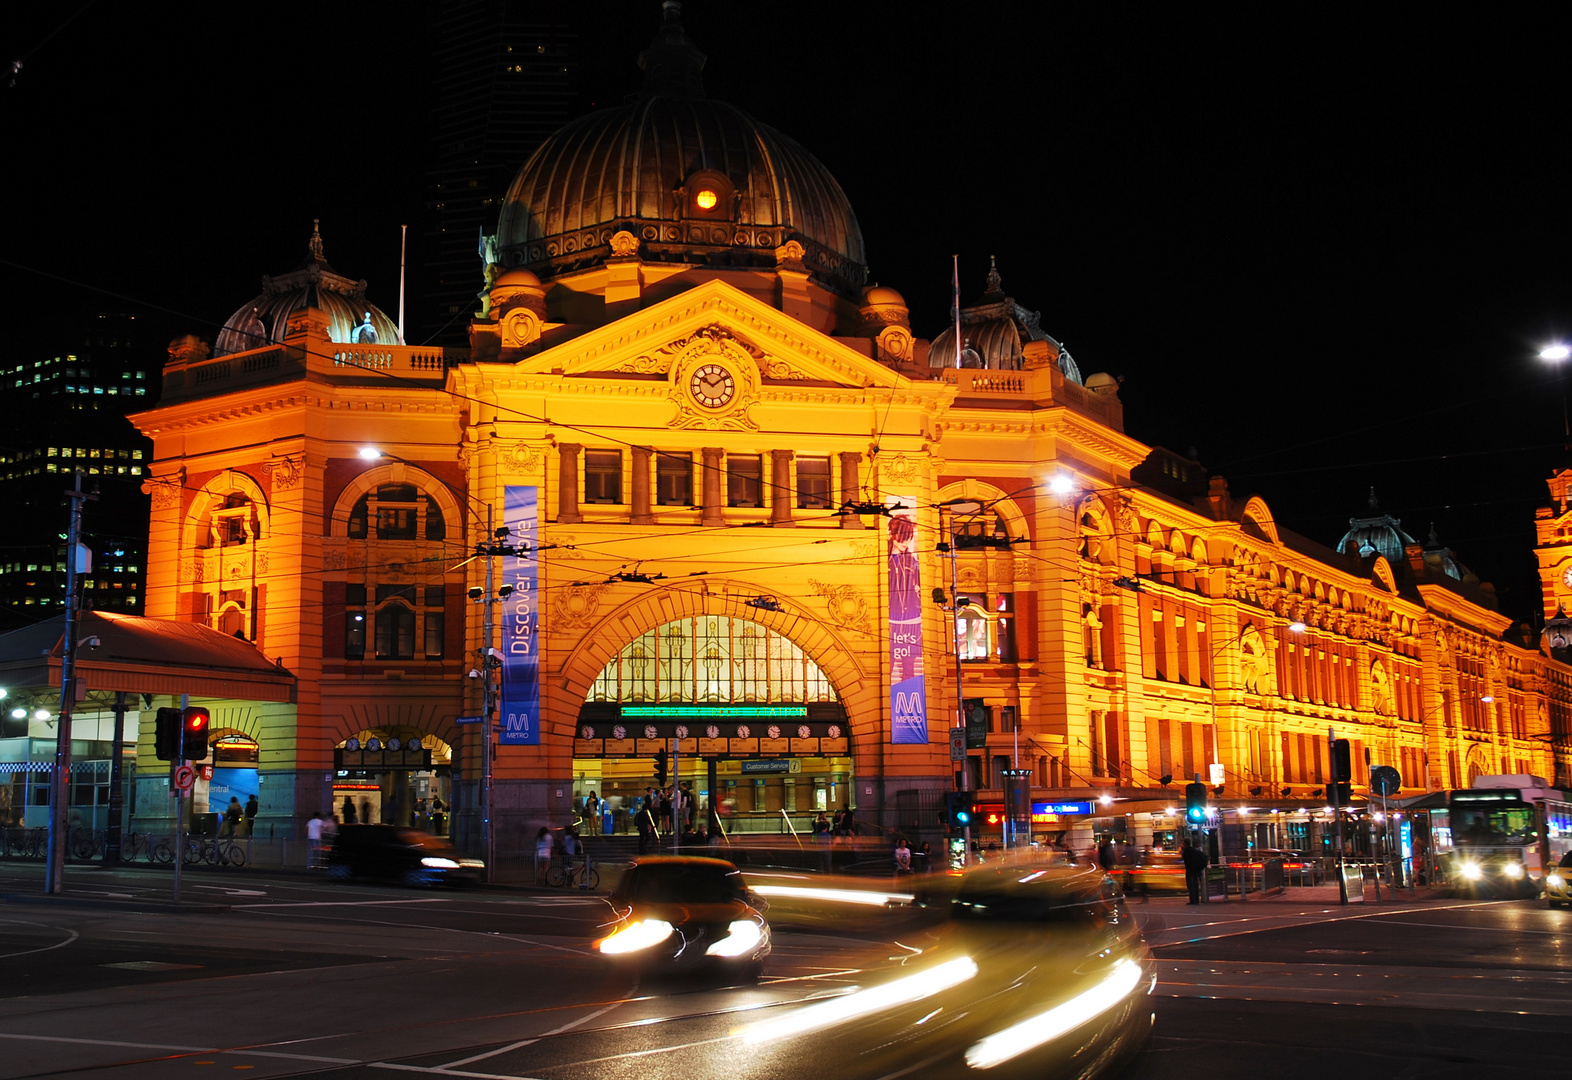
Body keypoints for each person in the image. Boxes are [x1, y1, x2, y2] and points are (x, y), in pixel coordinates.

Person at [1181, 838, 1208, 904]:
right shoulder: (1194, 850)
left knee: (1191, 885)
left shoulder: (1187, 851)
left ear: (1184, 844)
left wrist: (1182, 851)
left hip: (1190, 870)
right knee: (1195, 885)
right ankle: (1196, 900)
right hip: (1196, 870)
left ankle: (1193, 900)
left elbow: (1186, 860)